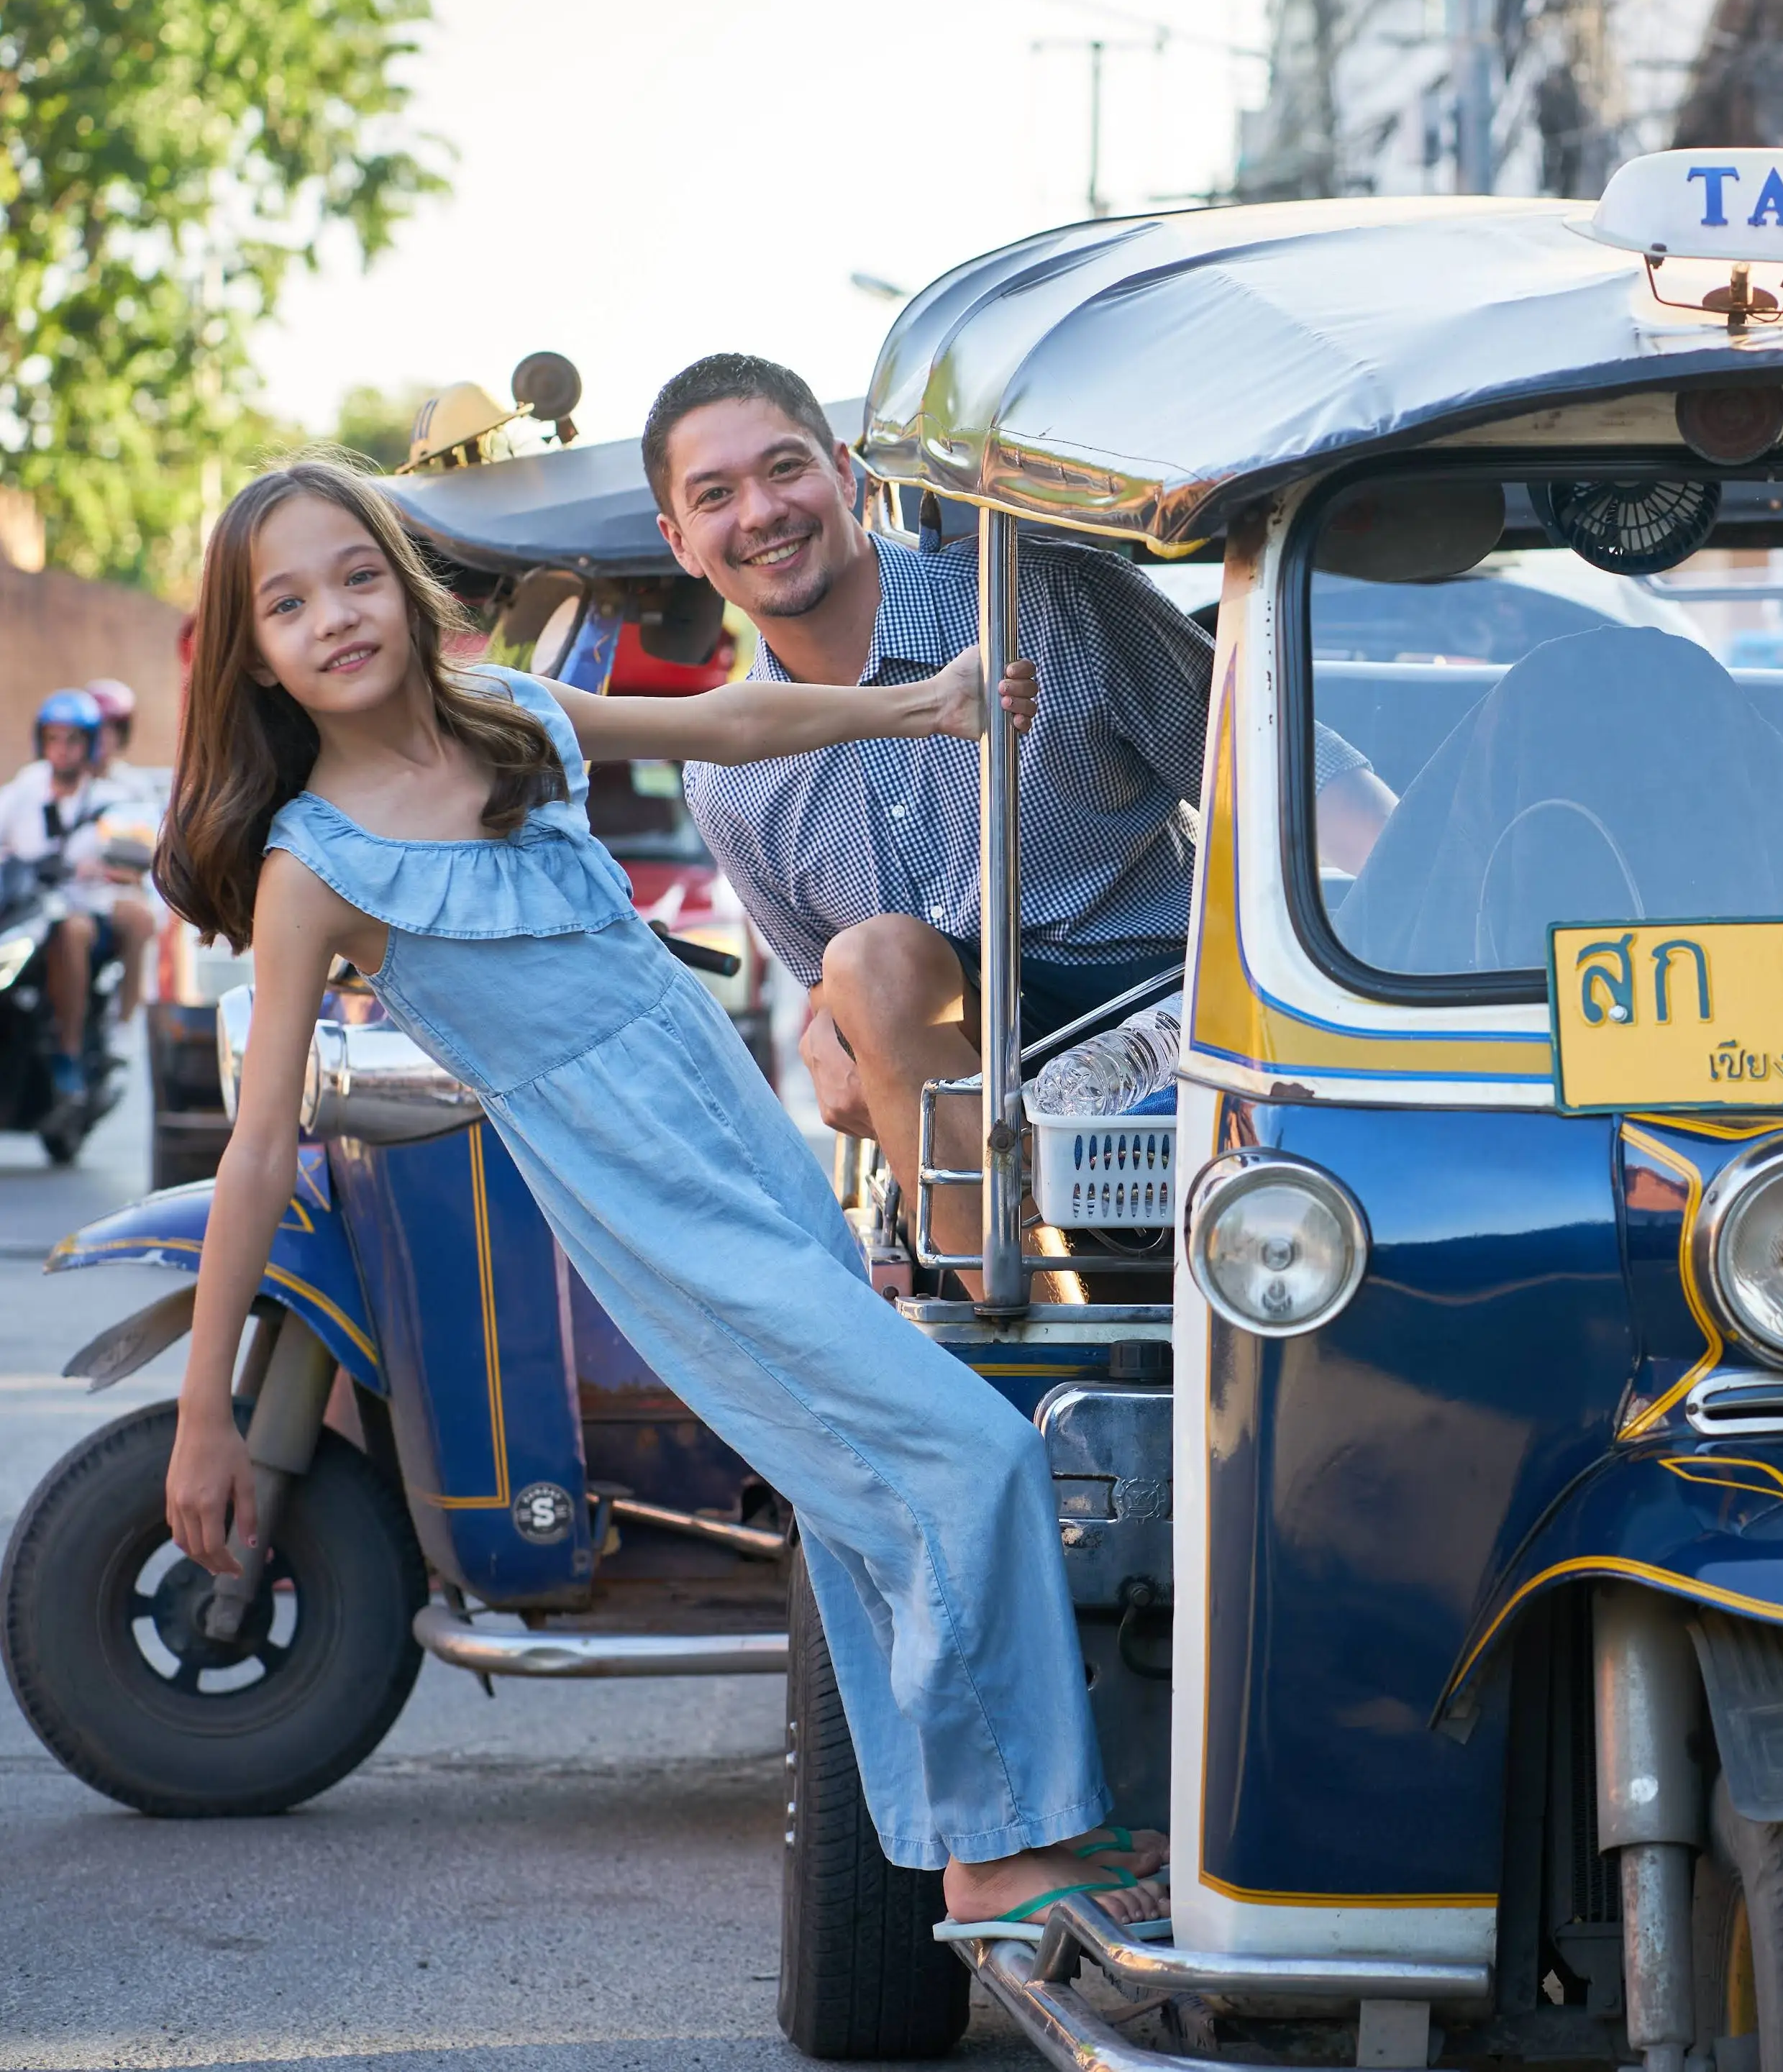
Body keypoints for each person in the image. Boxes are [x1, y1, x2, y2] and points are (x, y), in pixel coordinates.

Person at [153, 460, 1164, 1936]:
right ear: (253, 653)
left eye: (355, 575)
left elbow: (726, 722)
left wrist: (920, 705)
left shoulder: (509, 719)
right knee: (968, 1456)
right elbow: (258, 1151)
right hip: (646, 1201)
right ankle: (998, 1849)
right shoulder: (316, 864)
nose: (336, 617)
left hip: (736, 1137)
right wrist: (207, 1416)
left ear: (403, 582)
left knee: (867, 1492)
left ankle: (980, 1836)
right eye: (288, 603)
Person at [639, 354, 1390, 1278]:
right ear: (680, 541)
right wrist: (828, 1033)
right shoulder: (729, 784)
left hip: (1177, 1022)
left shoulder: (1052, 599)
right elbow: (841, 993)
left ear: (846, 473)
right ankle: (1015, 1330)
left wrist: (1432, 938)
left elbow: (1300, 786)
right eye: (717, 494)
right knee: (865, 965)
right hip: (970, 1079)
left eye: (784, 467)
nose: (759, 513)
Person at [0, 688, 158, 1101]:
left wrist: (105, 866)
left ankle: (70, 1049)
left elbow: (137, 849)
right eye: (53, 739)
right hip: (24, 906)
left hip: (82, 906)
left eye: (72, 740)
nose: (62, 750)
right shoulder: (27, 788)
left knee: (71, 932)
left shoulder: (109, 798)